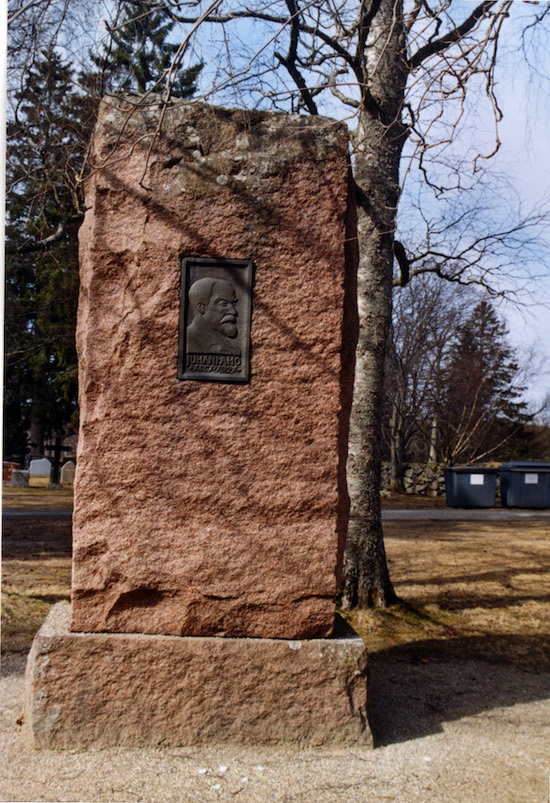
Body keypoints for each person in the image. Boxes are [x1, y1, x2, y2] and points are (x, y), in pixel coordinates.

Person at [186, 277, 241, 355]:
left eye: (233, 304)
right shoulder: (189, 339)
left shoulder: (232, 347)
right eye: (224, 304)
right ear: (201, 307)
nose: (233, 312)